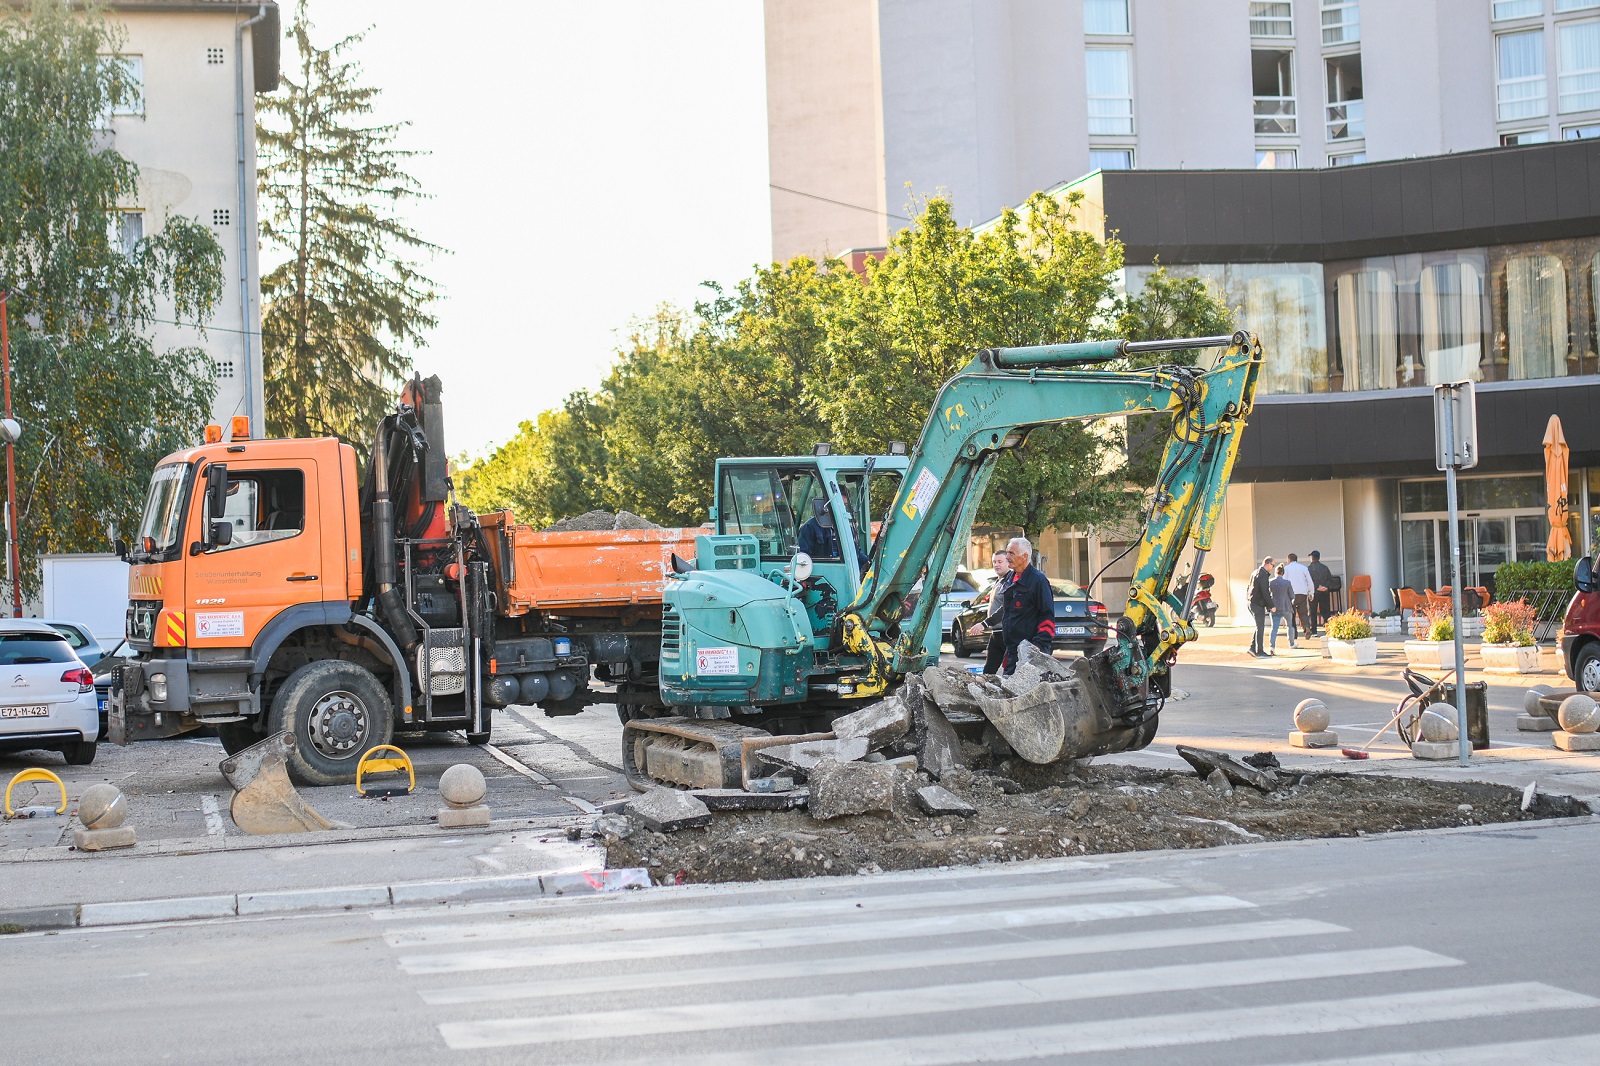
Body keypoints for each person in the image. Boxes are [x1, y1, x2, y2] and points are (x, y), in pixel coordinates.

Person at [999, 536, 1055, 674]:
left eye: (1011, 553)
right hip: (1012, 650)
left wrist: (1038, 646)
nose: (1007, 557)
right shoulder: (1009, 578)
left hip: (1032, 652)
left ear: (1024, 557)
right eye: (1007, 552)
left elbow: (1047, 615)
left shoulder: (1038, 581)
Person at [982, 548, 1015, 675]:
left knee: (1010, 671)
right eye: (994, 562)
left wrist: (985, 623)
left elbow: (1005, 608)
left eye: (1000, 561)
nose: (996, 565)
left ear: (1008, 563)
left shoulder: (1010, 582)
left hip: (1006, 633)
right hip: (995, 634)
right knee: (988, 672)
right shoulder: (998, 581)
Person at [1247, 555, 1274, 657]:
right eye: (1272, 565)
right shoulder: (1263, 575)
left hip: (1251, 601)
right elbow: (1265, 592)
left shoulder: (1255, 572)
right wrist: (1271, 605)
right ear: (1267, 564)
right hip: (1257, 603)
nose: (1273, 568)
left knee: (1259, 626)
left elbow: (1248, 587)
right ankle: (1260, 651)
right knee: (1260, 627)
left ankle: (1252, 647)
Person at [1284, 552, 1315, 640]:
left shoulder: (1286, 569)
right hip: (1302, 593)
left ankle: (1294, 633)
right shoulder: (1303, 568)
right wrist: (1311, 593)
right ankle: (1306, 627)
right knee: (1303, 613)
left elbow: (1284, 581)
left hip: (1290, 594)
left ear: (1289, 560)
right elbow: (1309, 581)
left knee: (1291, 614)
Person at [1269, 564, 1297, 653]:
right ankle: (1291, 644)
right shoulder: (1287, 583)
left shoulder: (1271, 582)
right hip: (1286, 607)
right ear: (1283, 573)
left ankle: (1272, 646)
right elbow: (1292, 595)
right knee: (1290, 626)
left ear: (1275, 572)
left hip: (1274, 608)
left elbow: (1268, 594)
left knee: (1274, 628)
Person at [1307, 550, 1334, 635]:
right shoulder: (1325, 568)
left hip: (1313, 593)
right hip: (1324, 592)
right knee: (1326, 612)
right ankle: (1329, 629)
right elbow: (1330, 579)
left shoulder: (1309, 569)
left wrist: (1317, 587)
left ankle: (1314, 630)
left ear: (1312, 558)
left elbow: (1308, 581)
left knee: (1313, 611)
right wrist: (1325, 587)